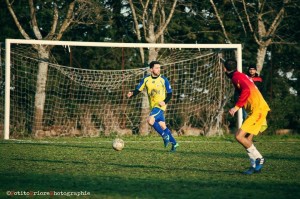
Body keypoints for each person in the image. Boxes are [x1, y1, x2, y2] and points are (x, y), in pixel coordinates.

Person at [224, 59, 270, 175]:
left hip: (258, 110)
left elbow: (246, 89)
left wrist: (236, 107)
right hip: (256, 110)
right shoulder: (238, 75)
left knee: (239, 136)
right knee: (247, 140)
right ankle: (254, 166)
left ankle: (260, 158)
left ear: (225, 68)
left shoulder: (236, 77)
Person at [127, 61, 179, 152]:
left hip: (159, 106)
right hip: (153, 106)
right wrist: (132, 93)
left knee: (150, 120)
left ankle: (164, 136)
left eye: (159, 67)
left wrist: (165, 101)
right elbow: (138, 90)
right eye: (156, 68)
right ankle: (174, 143)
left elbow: (170, 94)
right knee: (163, 126)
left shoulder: (164, 79)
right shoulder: (146, 79)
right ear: (151, 69)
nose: (159, 69)